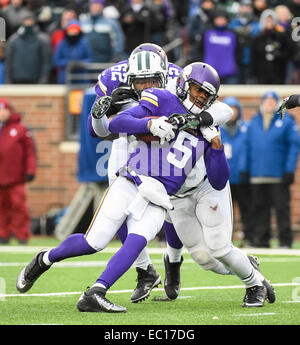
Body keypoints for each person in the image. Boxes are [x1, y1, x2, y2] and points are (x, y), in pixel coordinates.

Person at [17, 62, 273, 312]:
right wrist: (149, 124)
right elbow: (116, 124)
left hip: (162, 195)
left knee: (139, 242)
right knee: (94, 242)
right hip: (131, 179)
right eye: (196, 90)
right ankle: (45, 259)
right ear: (183, 85)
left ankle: (96, 292)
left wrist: (216, 146)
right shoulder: (160, 97)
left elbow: (219, 175)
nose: (199, 98)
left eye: (206, 95)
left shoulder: (208, 123)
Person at [240, 91, 300, 248]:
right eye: (266, 101)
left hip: (278, 175)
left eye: (272, 101)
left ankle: (285, 241)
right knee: (260, 209)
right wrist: (244, 169)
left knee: (282, 209)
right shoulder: (253, 122)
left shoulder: (286, 121)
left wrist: (289, 170)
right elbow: (246, 147)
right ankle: (261, 240)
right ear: (262, 103)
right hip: (257, 175)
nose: (269, 104)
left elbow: (294, 147)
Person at [0, 98, 36, 244]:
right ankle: (3, 235)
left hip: (15, 177)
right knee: (1, 208)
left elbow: (30, 152)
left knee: (18, 207)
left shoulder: (21, 129)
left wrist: (30, 170)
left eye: (3, 110)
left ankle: (22, 235)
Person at [220, 97, 253, 246]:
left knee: (247, 209)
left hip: (242, 177)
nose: (232, 112)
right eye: (229, 108)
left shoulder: (246, 128)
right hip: (224, 178)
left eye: (235, 108)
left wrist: (246, 169)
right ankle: (226, 239)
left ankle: (248, 237)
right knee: (225, 213)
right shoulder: (218, 128)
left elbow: (250, 151)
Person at [5, 12, 51, 84]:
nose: (28, 22)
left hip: (36, 80)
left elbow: (46, 61)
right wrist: (8, 79)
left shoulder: (43, 39)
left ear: (34, 21)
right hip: (16, 80)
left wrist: (43, 78)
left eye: (30, 20)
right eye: (25, 20)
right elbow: (8, 61)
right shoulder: (13, 40)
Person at [250, 9, 292, 84]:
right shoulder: (257, 38)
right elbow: (254, 57)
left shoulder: (281, 36)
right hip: (261, 73)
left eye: (271, 20)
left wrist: (279, 54)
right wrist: (253, 74)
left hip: (278, 72)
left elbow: (288, 52)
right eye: (267, 20)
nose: (269, 23)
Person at [53, 20, 93, 84]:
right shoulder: (62, 44)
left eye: (75, 31)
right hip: (65, 78)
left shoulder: (84, 43)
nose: (73, 33)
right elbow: (56, 61)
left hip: (81, 78)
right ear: (67, 31)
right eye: (71, 30)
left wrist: (80, 64)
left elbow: (90, 59)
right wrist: (68, 63)